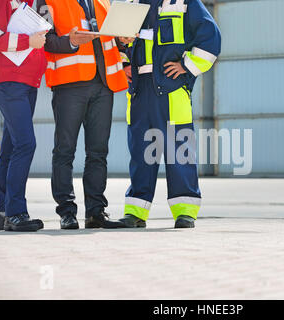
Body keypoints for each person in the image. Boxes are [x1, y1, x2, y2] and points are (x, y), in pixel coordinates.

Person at [119, 0, 221, 229]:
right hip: (139, 89)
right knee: (141, 152)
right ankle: (135, 212)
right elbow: (115, 40)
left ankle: (185, 212)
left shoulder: (184, 2)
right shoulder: (129, 3)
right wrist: (123, 61)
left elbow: (210, 35)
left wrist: (187, 65)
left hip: (172, 88)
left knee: (180, 152)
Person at [37, 0, 134, 229]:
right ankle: (66, 212)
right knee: (65, 150)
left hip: (103, 84)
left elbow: (110, 40)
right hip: (70, 84)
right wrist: (70, 41)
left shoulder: (104, 1)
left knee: (98, 151)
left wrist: (123, 41)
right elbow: (44, 40)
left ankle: (96, 212)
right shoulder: (49, 2)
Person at [0, 0, 47, 232]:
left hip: (26, 83)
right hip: (11, 83)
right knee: (26, 144)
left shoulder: (26, 3)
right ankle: (16, 212)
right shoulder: (0, 1)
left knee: (11, 147)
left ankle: (5, 211)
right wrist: (30, 41)